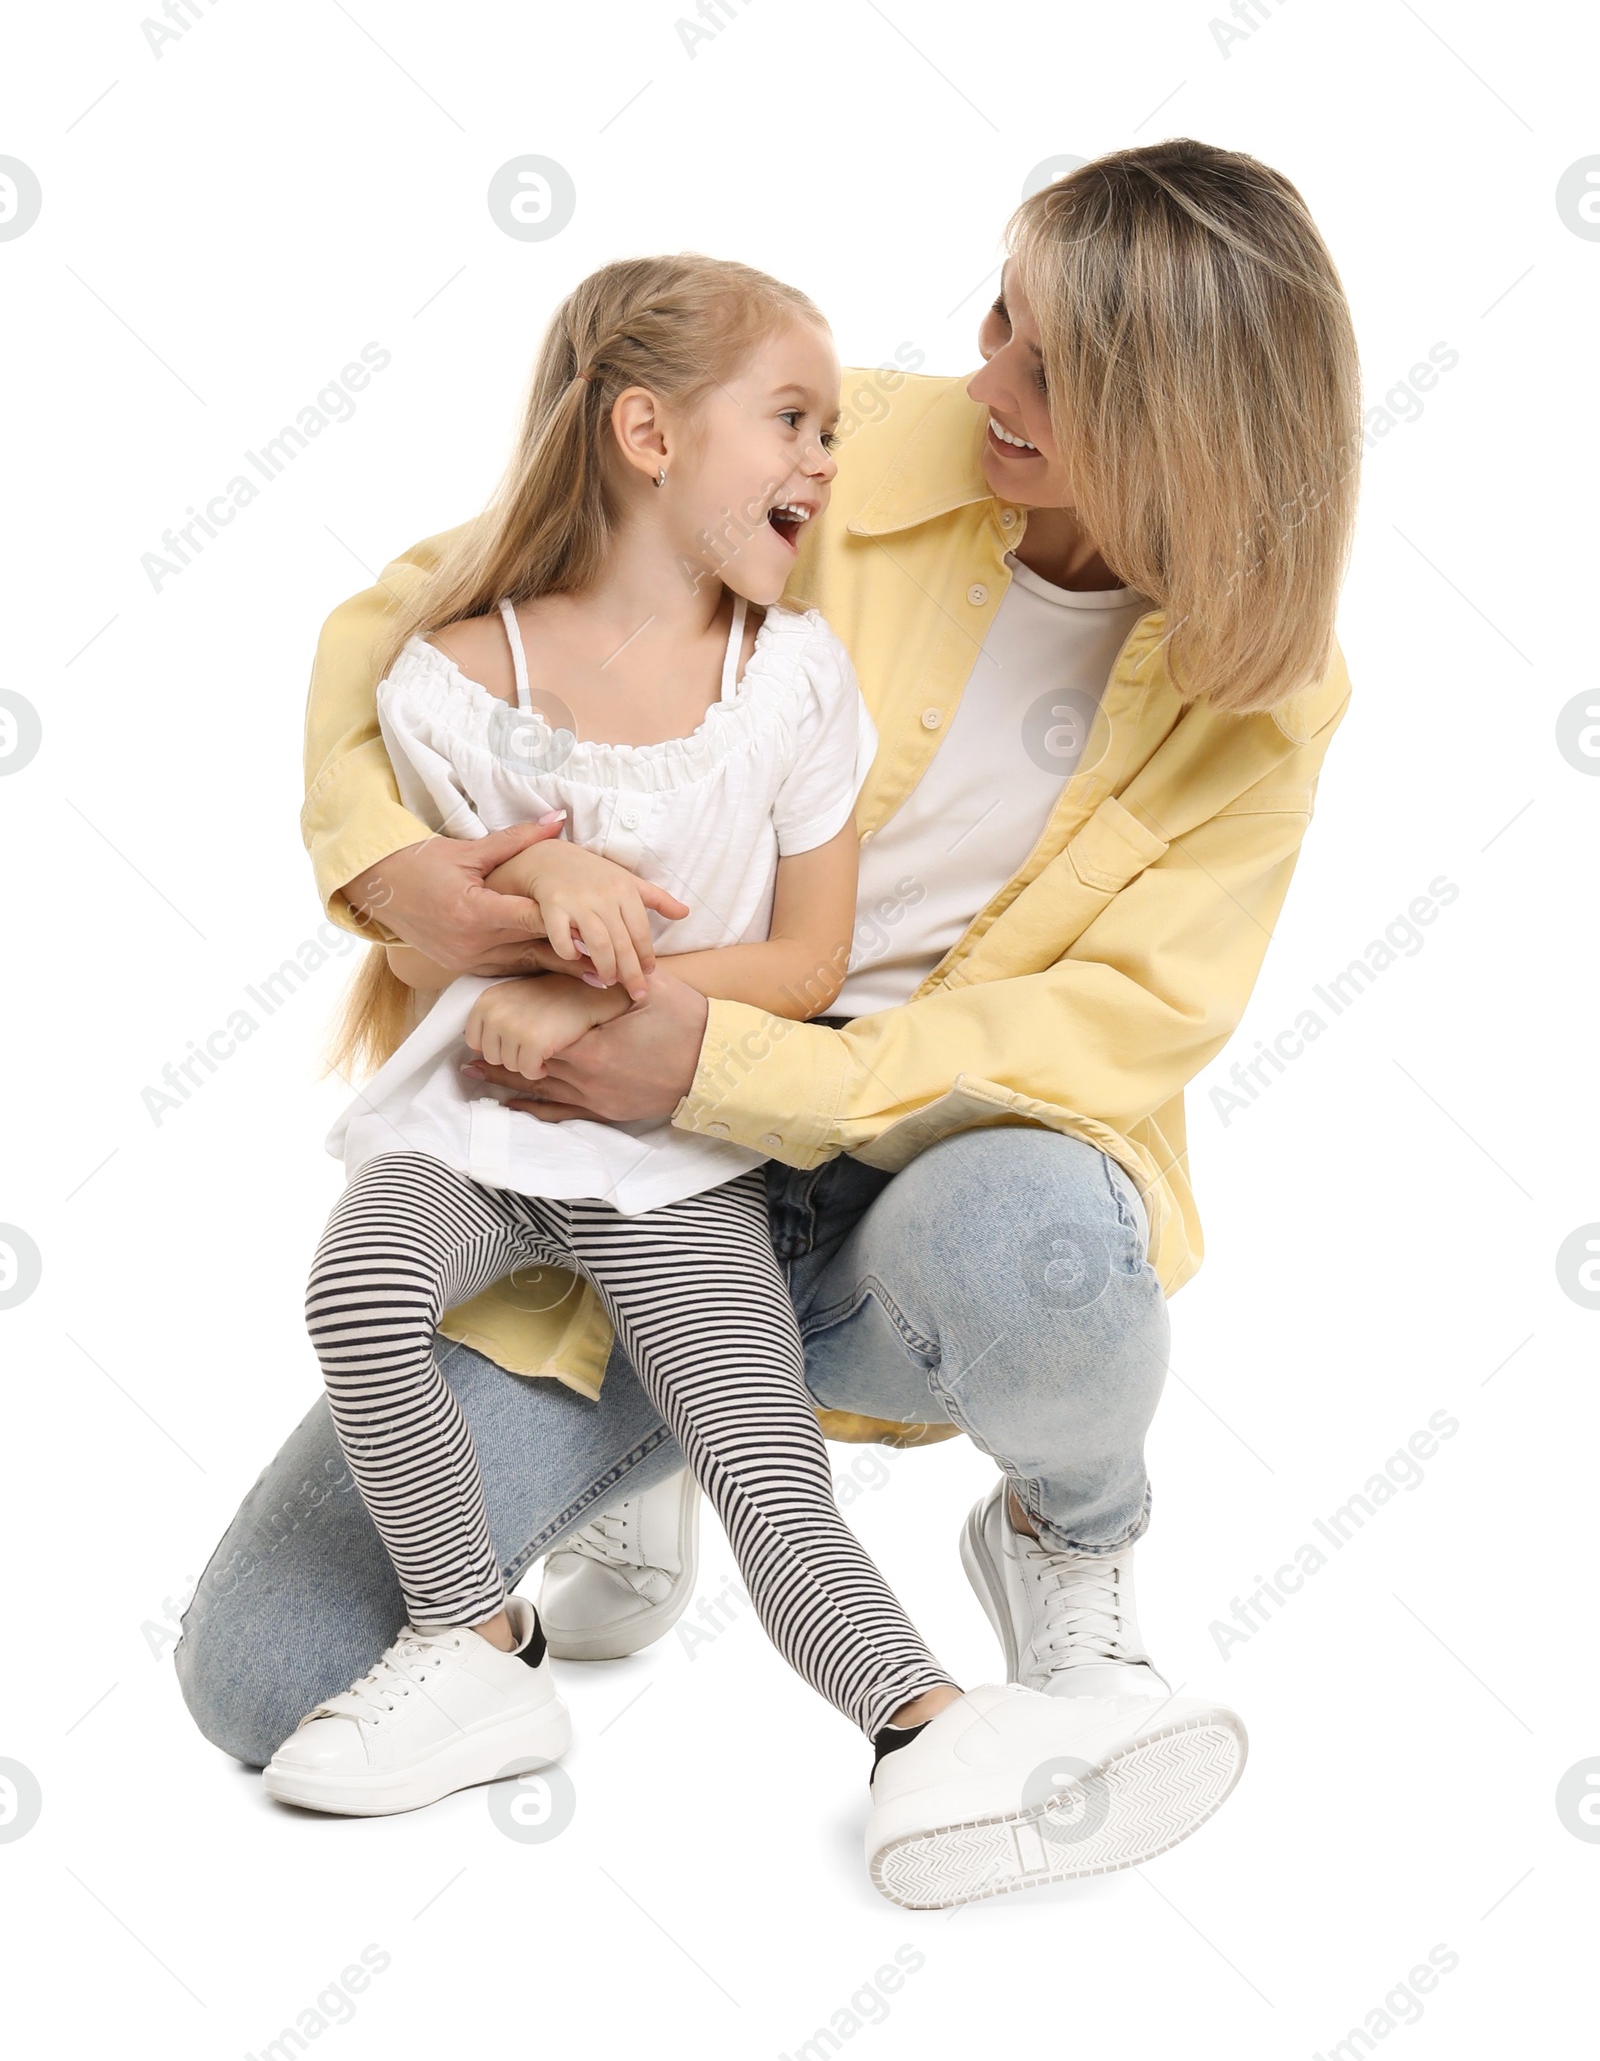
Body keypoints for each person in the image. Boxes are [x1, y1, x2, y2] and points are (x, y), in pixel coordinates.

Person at [178, 138, 1360, 1909]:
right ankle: (592, 1511)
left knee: (1046, 1240)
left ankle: (1068, 1543)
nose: (984, 381)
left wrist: (725, 1055)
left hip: (911, 1209)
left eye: (1045, 367)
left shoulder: (1262, 706)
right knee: (269, 1679)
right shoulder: (839, 444)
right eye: (998, 319)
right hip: (617, 1167)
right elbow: (412, 620)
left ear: (1185, 420)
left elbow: (1102, 1036)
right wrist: (402, 876)